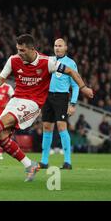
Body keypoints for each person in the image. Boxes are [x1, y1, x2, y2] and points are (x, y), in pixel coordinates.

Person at [0, 34, 94, 182]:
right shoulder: (13, 60)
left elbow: (71, 71)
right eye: (17, 49)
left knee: (4, 121)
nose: (19, 53)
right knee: (0, 137)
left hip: (32, 103)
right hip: (16, 100)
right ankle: (30, 165)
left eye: (22, 50)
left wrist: (83, 87)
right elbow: (0, 79)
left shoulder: (48, 62)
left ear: (32, 49)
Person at [40, 38, 79, 170]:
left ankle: (67, 161)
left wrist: (72, 104)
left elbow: (76, 85)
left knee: (62, 127)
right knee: (46, 127)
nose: (57, 48)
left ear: (66, 48)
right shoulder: (50, 61)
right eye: (55, 45)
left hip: (62, 97)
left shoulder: (71, 64)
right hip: (47, 97)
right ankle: (44, 161)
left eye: (60, 46)